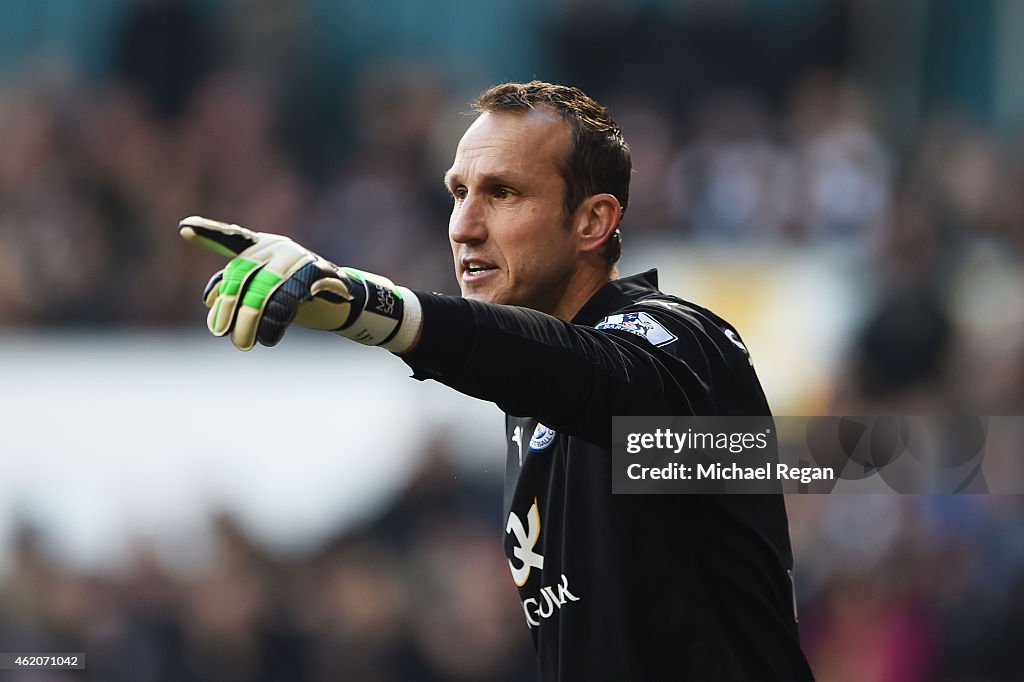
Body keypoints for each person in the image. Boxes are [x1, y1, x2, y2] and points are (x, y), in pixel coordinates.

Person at [179, 81, 815, 681]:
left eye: (503, 194)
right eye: (459, 193)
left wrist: (376, 309)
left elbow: (596, 379)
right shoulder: (531, 407)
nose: (463, 225)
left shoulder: (684, 346)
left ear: (592, 222)